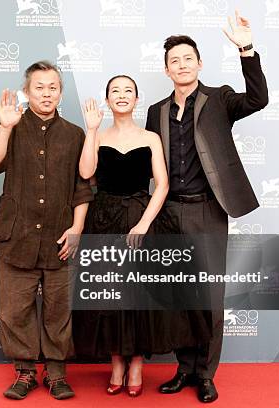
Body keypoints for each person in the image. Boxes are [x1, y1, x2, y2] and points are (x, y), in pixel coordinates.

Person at [145, 11, 269, 403]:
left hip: (207, 211)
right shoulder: (155, 111)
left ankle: (206, 374)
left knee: (209, 297)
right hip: (169, 212)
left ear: (199, 63)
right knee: (180, 295)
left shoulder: (219, 98)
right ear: (166, 70)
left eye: (187, 58)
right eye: (173, 61)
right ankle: (183, 368)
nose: (181, 65)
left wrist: (246, 48)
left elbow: (258, 99)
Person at [0, 61, 93, 400]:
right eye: (39, 87)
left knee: (59, 309)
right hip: (17, 237)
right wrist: (4, 127)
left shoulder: (74, 134)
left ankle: (56, 374)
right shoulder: (11, 126)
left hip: (60, 238)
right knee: (15, 310)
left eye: (53, 87)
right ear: (26, 92)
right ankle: (25, 372)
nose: (47, 93)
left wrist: (77, 228)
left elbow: (83, 186)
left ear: (60, 92)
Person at [72, 75, 169, 397]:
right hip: (103, 221)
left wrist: (143, 224)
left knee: (138, 295)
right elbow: (86, 173)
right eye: (115, 91)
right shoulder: (99, 135)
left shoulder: (151, 137)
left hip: (140, 218)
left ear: (137, 99)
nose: (122, 95)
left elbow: (163, 185)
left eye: (128, 90)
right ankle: (116, 363)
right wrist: (91, 130)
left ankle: (137, 363)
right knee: (109, 294)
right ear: (108, 100)